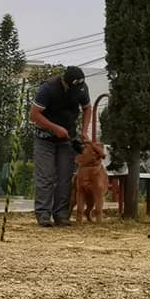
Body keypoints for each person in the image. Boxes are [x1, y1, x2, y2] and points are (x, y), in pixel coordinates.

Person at [29, 65, 91, 227]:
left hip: (67, 138)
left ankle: (61, 214)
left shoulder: (82, 88)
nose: (76, 92)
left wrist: (84, 130)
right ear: (65, 82)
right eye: (72, 88)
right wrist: (54, 128)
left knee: (65, 177)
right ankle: (43, 214)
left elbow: (87, 108)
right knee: (46, 176)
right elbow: (34, 115)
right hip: (44, 138)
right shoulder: (48, 89)